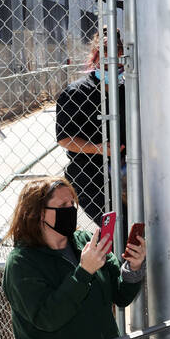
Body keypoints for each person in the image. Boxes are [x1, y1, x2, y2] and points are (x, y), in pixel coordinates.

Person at [2, 176, 145, 339]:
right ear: (37, 214)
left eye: (72, 204)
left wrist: (133, 267)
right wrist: (84, 272)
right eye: (62, 206)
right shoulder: (22, 263)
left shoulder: (85, 243)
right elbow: (48, 317)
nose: (71, 210)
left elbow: (120, 295)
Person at [56, 29, 126, 225]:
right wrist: (98, 149)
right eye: (107, 59)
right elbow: (64, 138)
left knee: (134, 225)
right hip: (89, 173)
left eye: (119, 61)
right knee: (113, 226)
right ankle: (112, 251)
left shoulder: (130, 90)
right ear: (95, 57)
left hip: (129, 170)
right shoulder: (76, 93)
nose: (114, 66)